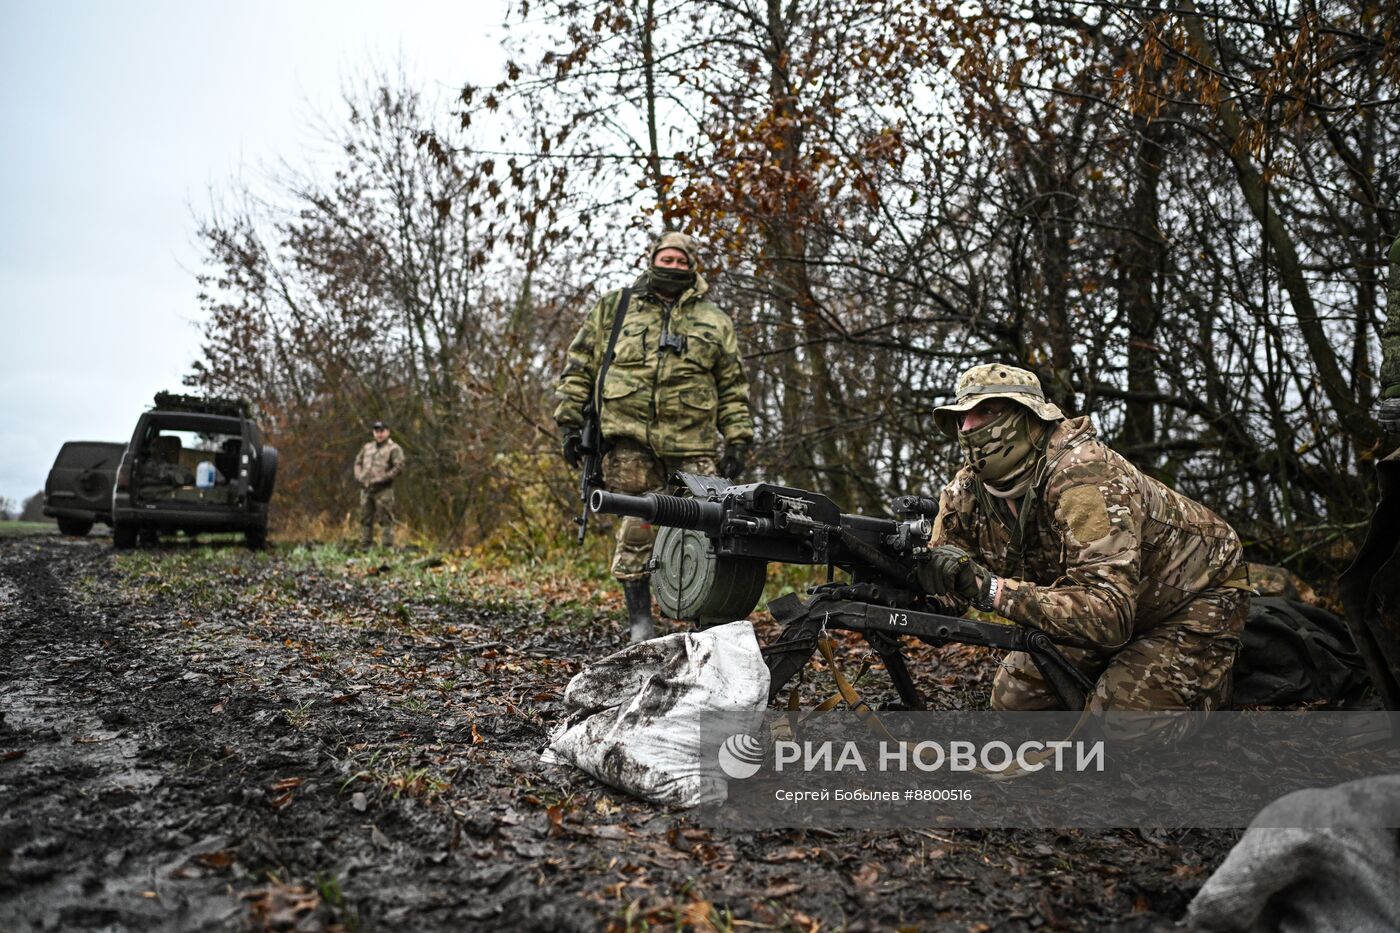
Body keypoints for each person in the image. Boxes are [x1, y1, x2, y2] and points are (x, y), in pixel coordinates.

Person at [921, 364, 1250, 729]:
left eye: (985, 412)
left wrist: (990, 590)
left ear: (1028, 417)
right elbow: (947, 587)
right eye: (962, 416)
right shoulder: (966, 492)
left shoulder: (1084, 477)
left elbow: (1110, 613)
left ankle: (1213, 683)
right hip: (1100, 604)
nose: (968, 428)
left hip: (1194, 595)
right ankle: (1122, 671)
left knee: (1122, 727)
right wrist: (909, 581)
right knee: (1015, 704)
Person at [554, 232, 755, 642]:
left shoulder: (714, 320)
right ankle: (640, 625)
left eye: (682, 260)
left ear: (693, 265)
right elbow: (579, 367)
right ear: (652, 258)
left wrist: (737, 438)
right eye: (667, 257)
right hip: (630, 447)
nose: (673, 266)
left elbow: (733, 385)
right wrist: (569, 423)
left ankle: (707, 625)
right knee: (638, 527)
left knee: (713, 529)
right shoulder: (615, 307)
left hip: (694, 447)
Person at [353, 421, 405, 548]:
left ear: (387, 432)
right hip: (366, 488)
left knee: (385, 519)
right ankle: (365, 545)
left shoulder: (394, 448)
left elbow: (399, 466)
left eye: (382, 430)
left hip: (383, 489)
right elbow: (357, 462)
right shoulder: (367, 447)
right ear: (373, 432)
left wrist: (385, 477)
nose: (379, 433)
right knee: (365, 519)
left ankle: (387, 547)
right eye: (377, 431)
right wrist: (359, 476)